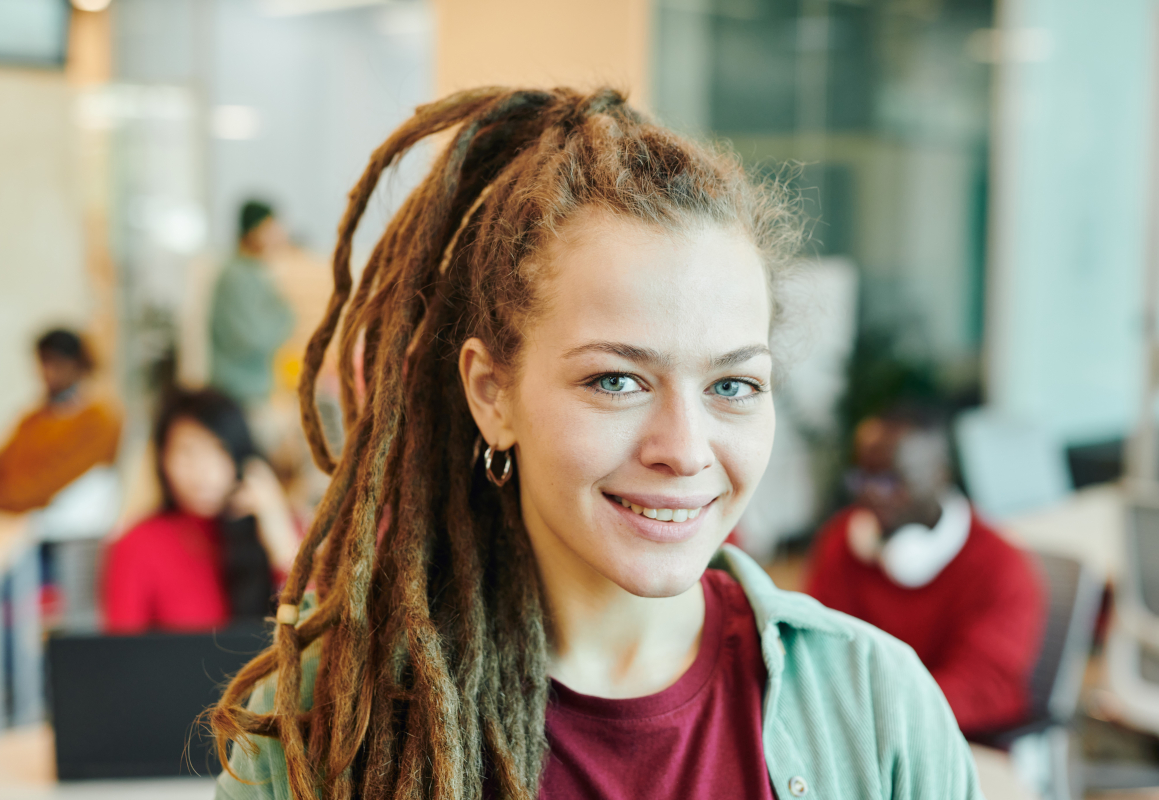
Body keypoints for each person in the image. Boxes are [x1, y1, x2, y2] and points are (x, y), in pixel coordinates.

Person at [211, 88, 981, 800]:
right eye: (616, 381)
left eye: (733, 386)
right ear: (491, 394)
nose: (683, 450)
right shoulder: (328, 723)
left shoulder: (876, 706)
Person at [805, 405, 1046, 737]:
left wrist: (874, 715)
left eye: (891, 480)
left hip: (963, 737)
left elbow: (982, 686)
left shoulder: (999, 564)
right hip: (865, 729)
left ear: (940, 476)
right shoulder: (842, 539)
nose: (871, 494)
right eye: (863, 478)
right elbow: (815, 644)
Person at [102, 389, 299, 634]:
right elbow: (123, 658)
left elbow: (320, 639)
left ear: (241, 456)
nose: (203, 471)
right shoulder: (136, 544)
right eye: (187, 451)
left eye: (219, 450)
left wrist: (281, 541)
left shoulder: (279, 528)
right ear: (162, 460)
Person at [0, 329, 120, 513]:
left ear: (77, 365)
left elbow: (54, 488)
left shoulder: (99, 420)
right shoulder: (33, 418)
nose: (47, 372)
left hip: (46, 525)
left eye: (57, 364)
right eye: (43, 362)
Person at [210, 200, 295, 408]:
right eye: (270, 228)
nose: (277, 235)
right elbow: (254, 338)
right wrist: (284, 314)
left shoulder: (253, 271)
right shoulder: (237, 276)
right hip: (237, 391)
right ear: (254, 230)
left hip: (251, 388)